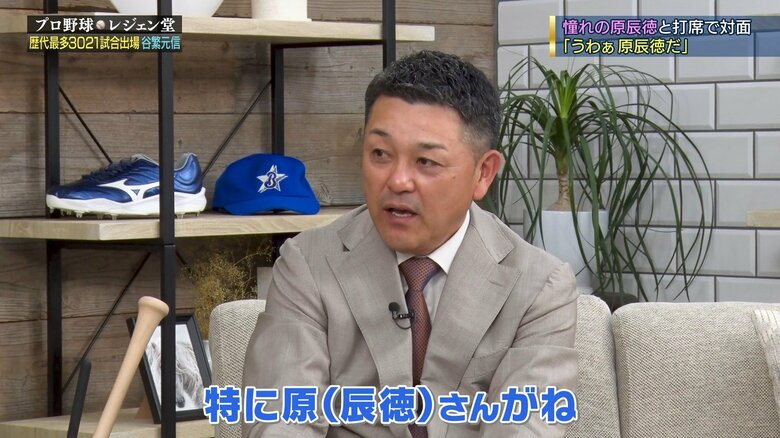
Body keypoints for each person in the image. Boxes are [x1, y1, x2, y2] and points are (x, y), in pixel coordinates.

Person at [242, 50, 578, 437]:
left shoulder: (540, 287)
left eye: (425, 162)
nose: (397, 181)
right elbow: (280, 420)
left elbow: (526, 428)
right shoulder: (307, 264)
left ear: (483, 173)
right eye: (380, 154)